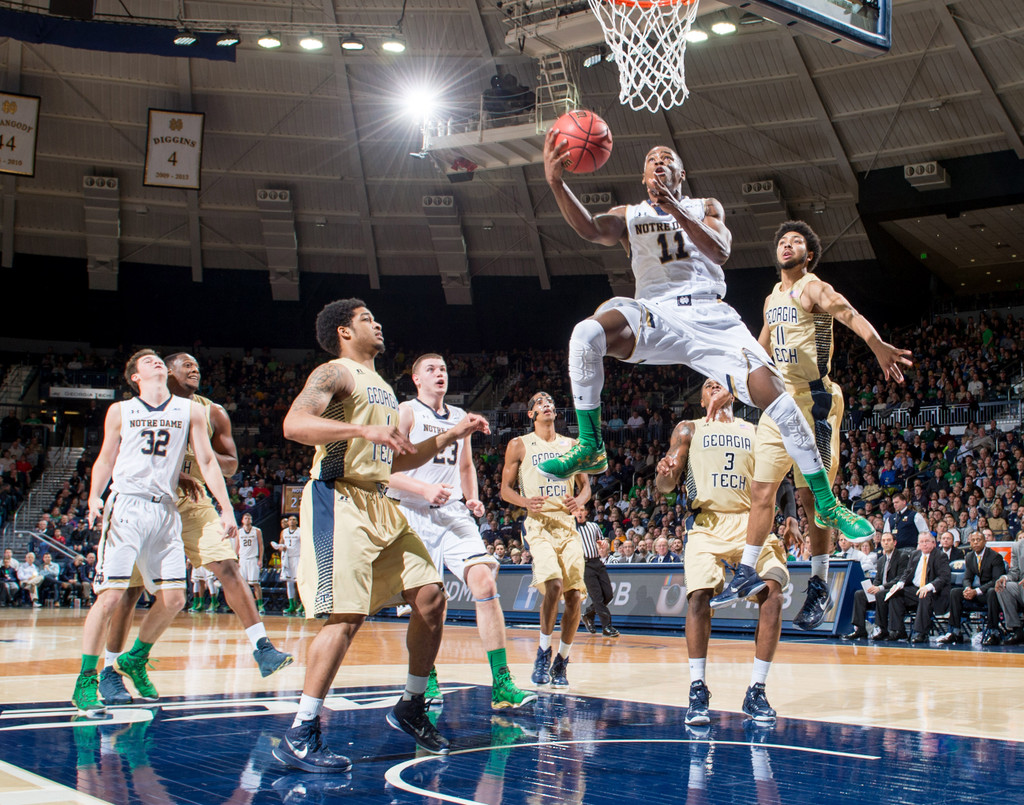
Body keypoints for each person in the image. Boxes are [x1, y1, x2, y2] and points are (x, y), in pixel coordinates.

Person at [538, 136, 872, 597]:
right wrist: (556, 183)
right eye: (651, 160)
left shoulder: (702, 205)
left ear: (681, 173)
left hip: (712, 317)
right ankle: (592, 444)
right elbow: (593, 228)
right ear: (642, 175)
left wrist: (675, 207)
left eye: (667, 160)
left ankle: (828, 503)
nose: (658, 163)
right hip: (658, 313)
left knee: (777, 399)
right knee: (586, 333)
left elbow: (719, 251)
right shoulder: (631, 214)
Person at [272, 298, 490, 773]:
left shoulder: (384, 391)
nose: (379, 323)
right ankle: (301, 731)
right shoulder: (336, 373)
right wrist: (360, 431)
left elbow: (399, 458)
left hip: (379, 501)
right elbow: (294, 424)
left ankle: (410, 704)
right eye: (367, 319)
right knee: (346, 618)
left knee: (431, 597)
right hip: (340, 498)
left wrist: (453, 434)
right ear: (345, 332)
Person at [734, 220, 912, 627]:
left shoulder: (811, 286)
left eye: (796, 241)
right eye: (782, 240)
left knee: (813, 500)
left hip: (815, 401)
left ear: (808, 255)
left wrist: (876, 344)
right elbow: (760, 348)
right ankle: (745, 569)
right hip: (779, 402)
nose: (788, 245)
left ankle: (818, 583)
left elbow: (845, 311)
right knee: (761, 488)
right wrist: (734, 380)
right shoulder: (771, 297)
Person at [98, 354, 291, 708]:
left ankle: (262, 647)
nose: (194, 369)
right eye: (185, 365)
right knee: (131, 591)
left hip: (196, 501)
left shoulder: (209, 411)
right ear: (165, 371)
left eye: (197, 366)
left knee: (228, 567)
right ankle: (112, 669)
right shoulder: (135, 410)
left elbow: (230, 464)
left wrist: (195, 452)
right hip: (150, 501)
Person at [72, 350, 238, 717]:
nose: (155, 362)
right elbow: (105, 457)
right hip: (127, 505)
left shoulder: (191, 411)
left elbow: (209, 462)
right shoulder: (120, 411)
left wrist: (226, 508)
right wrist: (94, 497)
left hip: (165, 509)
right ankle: (86, 679)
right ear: (136, 377)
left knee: (175, 599)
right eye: (146, 362)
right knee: (113, 595)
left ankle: (136, 658)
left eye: (157, 359)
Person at [388, 353, 535, 710]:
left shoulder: (458, 417)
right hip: (411, 511)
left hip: (451, 512)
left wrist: (472, 498)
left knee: (484, 582)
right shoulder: (406, 412)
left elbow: (465, 465)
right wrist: (423, 490)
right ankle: (426, 680)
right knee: (424, 603)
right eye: (431, 369)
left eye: (443, 369)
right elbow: (384, 470)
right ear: (416, 379)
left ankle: (502, 682)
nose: (440, 374)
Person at [656, 378, 788, 724]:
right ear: (701, 400)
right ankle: (697, 688)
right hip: (708, 522)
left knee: (773, 593)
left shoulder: (755, 429)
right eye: (705, 384)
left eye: (719, 380)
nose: (713, 384)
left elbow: (775, 478)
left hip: (751, 522)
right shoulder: (689, 428)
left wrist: (786, 518)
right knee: (698, 596)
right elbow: (667, 484)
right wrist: (666, 474)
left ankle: (756, 690)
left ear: (733, 393)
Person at [500, 391, 591, 690]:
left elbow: (585, 487)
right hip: (538, 523)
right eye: (539, 402)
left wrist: (578, 502)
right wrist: (525, 502)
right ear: (531, 414)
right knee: (552, 584)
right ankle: (543, 651)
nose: (546, 404)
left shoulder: (572, 445)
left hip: (567, 526)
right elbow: (504, 490)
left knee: (574, 595)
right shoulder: (519, 445)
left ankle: (562, 660)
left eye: (549, 401)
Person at [938, 530, 1006, 645]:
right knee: (955, 592)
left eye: (978, 540)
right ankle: (955, 632)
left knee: (991, 592)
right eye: (973, 540)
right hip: (977, 592)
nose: (975, 543)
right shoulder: (969, 556)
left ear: (985, 542)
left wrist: (976, 591)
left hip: (989, 593)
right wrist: (967, 589)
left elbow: (996, 580)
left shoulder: (995, 557)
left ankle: (993, 632)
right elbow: (967, 578)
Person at [843, 532, 908, 641]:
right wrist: (873, 586)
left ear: (895, 542)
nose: (886, 543)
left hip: (893, 591)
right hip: (880, 589)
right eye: (883, 540)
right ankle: (860, 629)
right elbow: (878, 578)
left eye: (888, 540)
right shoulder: (881, 560)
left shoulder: (902, 556)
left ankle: (882, 629)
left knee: (880, 593)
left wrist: (880, 587)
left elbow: (900, 578)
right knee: (860, 594)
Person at [887, 532, 951, 643]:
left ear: (933, 543)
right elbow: (907, 572)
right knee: (896, 594)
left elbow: (944, 577)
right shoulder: (915, 554)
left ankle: (921, 633)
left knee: (924, 594)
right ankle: (898, 631)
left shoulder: (940, 556)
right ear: (918, 544)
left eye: (927, 541)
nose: (924, 544)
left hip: (934, 593)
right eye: (921, 542)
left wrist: (929, 587)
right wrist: (899, 584)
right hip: (915, 590)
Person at [575, 505, 618, 637]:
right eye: (577, 510)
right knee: (597, 597)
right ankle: (607, 626)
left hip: (597, 562)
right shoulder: (570, 529)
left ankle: (588, 614)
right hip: (584, 564)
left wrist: (603, 543)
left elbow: (601, 540)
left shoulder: (593, 526)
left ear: (586, 512)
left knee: (609, 595)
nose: (580, 512)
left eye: (582, 510)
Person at [271, 515, 303, 615]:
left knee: (299, 582)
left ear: (297, 522)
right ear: (287, 522)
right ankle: (291, 605)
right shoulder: (284, 532)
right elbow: (280, 544)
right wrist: (281, 548)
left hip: (298, 557)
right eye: (290, 520)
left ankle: (302, 605)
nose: (292, 521)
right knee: (289, 582)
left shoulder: (301, 531)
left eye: (294, 520)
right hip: (287, 559)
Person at [995, 538, 1024, 645]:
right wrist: (1004, 578)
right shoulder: (1018, 546)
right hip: (1022, 586)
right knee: (1003, 587)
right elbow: (1014, 572)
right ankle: (1017, 630)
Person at [236, 512, 265, 615]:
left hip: (253, 559)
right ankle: (245, 605)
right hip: (242, 559)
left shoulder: (257, 531)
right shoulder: (239, 532)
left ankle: (260, 605)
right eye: (246, 518)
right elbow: (237, 546)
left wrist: (260, 559)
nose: (248, 519)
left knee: (255, 583)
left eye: (249, 518)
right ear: (242, 520)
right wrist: (236, 559)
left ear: (251, 520)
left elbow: (261, 546)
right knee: (243, 585)